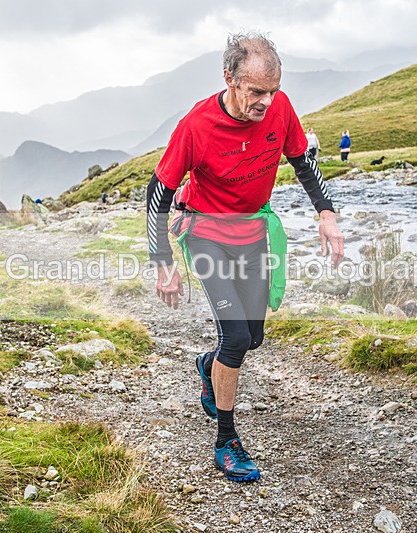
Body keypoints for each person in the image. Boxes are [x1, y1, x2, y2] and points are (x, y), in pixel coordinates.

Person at [146, 32, 344, 483]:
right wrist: (163, 262)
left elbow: (302, 161)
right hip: (207, 236)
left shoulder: (279, 108)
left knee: (252, 339)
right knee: (236, 339)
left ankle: (205, 365)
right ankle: (226, 441)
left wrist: (327, 215)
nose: (266, 101)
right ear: (229, 79)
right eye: (256, 91)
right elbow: (157, 195)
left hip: (252, 232)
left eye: (273, 90)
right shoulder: (196, 126)